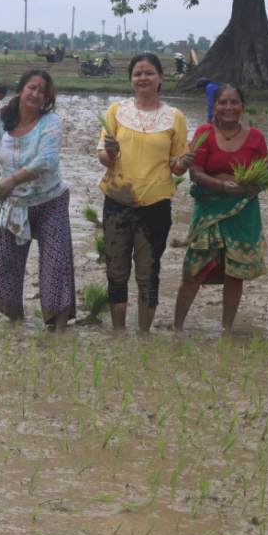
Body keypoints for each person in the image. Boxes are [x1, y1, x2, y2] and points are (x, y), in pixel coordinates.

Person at [0, 69, 74, 328]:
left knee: (55, 266)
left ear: (47, 98)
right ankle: (17, 325)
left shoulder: (51, 121)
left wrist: (12, 179)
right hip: (15, 205)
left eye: (42, 90)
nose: (36, 93)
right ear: (20, 90)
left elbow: (48, 160)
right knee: (6, 267)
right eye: (32, 87)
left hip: (51, 201)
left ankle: (59, 333)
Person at [96, 54, 191, 332]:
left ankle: (144, 336)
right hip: (116, 201)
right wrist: (110, 154)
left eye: (149, 73)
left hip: (155, 206)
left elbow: (177, 167)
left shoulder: (175, 117)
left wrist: (182, 164)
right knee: (116, 272)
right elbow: (103, 153)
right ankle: (118, 334)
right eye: (137, 73)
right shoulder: (116, 111)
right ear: (131, 80)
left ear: (161, 78)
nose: (143, 78)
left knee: (148, 273)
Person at [173, 84, 268, 331]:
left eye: (234, 102)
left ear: (243, 108)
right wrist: (224, 187)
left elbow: (263, 177)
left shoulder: (256, 137)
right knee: (195, 269)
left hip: (243, 211)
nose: (228, 107)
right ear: (214, 107)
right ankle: (178, 327)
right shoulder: (204, 132)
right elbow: (195, 172)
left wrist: (248, 189)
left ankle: (227, 329)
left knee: (234, 274)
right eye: (223, 102)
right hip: (209, 208)